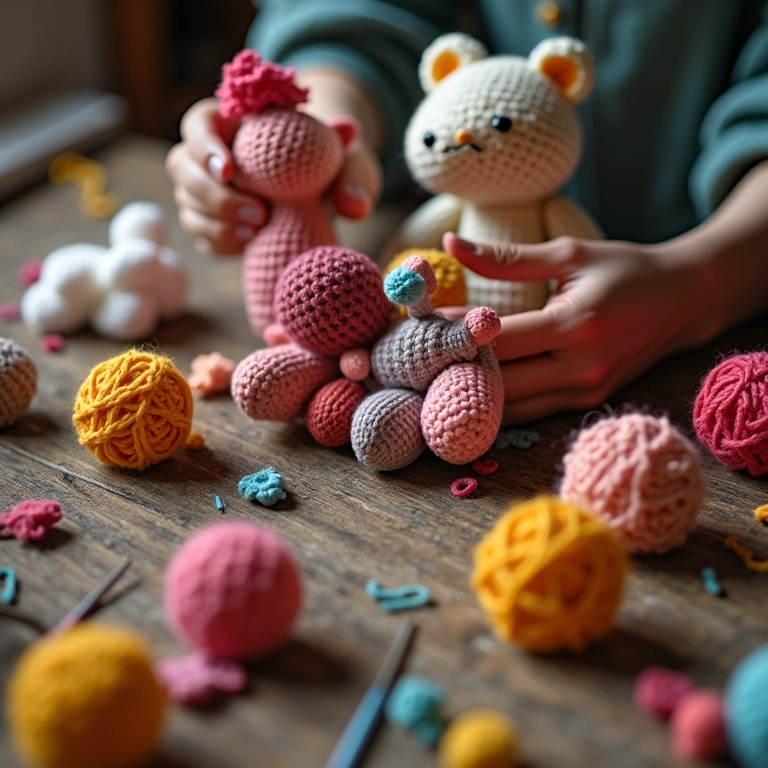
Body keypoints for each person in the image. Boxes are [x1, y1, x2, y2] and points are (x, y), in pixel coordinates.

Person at [166, 0, 768, 423]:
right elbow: (363, 12)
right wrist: (321, 133)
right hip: (435, 335)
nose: (457, 142)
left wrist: (701, 282)